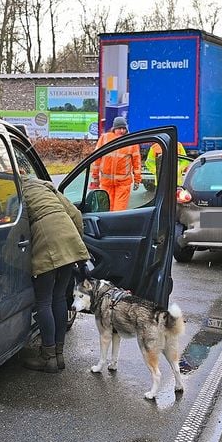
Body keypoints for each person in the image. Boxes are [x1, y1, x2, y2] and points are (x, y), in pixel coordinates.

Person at [20, 176, 91, 373]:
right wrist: (76, 242)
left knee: (43, 301)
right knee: (59, 297)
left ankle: (47, 357)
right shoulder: (44, 185)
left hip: (47, 241)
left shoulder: (16, 191)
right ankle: (59, 355)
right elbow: (75, 214)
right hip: (69, 237)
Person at [90, 115, 141, 211]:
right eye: (119, 128)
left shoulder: (131, 141)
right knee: (106, 209)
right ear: (114, 128)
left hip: (123, 183)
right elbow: (96, 159)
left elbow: (136, 162)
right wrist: (95, 177)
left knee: (119, 210)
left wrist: (137, 179)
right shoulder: (104, 138)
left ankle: (116, 225)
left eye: (123, 128)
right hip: (106, 182)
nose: (122, 131)